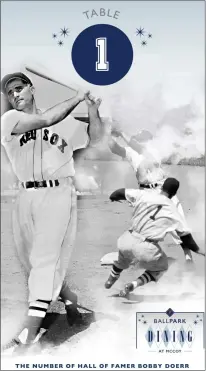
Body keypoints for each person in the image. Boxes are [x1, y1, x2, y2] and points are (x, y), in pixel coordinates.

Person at [1, 72, 103, 353]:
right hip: (25, 196)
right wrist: (77, 97)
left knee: (44, 260)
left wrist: (92, 110)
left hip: (58, 192)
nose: (15, 95)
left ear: (32, 89)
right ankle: (70, 300)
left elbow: (95, 138)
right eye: (10, 93)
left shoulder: (67, 122)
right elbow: (46, 121)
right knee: (34, 263)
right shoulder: (10, 120)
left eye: (19, 88)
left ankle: (28, 336)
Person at [105, 178, 205, 297]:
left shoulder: (144, 194)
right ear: (174, 194)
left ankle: (111, 279)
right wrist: (200, 251)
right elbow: (187, 239)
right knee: (161, 267)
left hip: (127, 239)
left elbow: (119, 192)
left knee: (122, 260)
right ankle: (133, 284)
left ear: (162, 188)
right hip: (146, 248)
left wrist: (113, 197)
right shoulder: (173, 211)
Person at [108, 128, 193, 263]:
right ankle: (137, 255)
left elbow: (137, 147)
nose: (140, 140)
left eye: (143, 138)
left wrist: (120, 132)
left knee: (177, 224)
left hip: (162, 190)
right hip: (146, 193)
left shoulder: (153, 151)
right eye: (139, 137)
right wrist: (106, 132)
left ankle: (188, 256)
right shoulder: (131, 152)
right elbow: (115, 149)